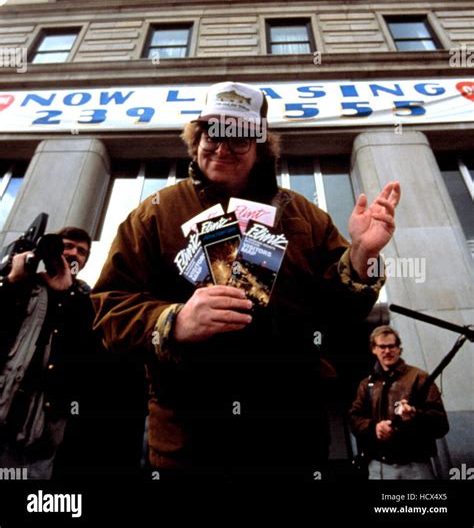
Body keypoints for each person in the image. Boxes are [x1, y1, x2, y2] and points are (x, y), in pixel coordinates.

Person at [92, 81, 401, 481]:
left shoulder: (302, 215)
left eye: (239, 137)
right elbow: (107, 307)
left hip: (292, 438)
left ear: (261, 147)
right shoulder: (153, 213)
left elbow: (340, 312)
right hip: (189, 442)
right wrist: (173, 321)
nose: (222, 147)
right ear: (196, 138)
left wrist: (363, 255)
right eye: (211, 133)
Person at [0, 227, 94, 479]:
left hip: (39, 434)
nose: (74, 254)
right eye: (67, 246)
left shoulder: (87, 301)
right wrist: (10, 281)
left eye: (82, 251)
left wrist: (69, 292)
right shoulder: (22, 284)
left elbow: (88, 356)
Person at [349, 325, 449, 480]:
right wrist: (374, 428)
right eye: (382, 346)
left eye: (391, 346)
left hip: (416, 466)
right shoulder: (366, 384)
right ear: (373, 349)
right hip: (379, 466)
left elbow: (441, 425)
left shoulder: (419, 378)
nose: (387, 351)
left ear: (399, 349)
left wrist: (415, 417)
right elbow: (354, 419)